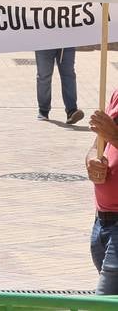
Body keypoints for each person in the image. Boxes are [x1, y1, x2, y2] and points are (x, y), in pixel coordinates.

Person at [86, 89, 118, 294]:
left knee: (101, 304)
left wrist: (115, 135)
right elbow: (98, 145)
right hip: (102, 224)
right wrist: (91, 161)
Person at [35, 46, 82, 124]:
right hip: (44, 41)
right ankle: (43, 110)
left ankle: (71, 111)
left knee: (68, 75)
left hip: (66, 42)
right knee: (44, 76)